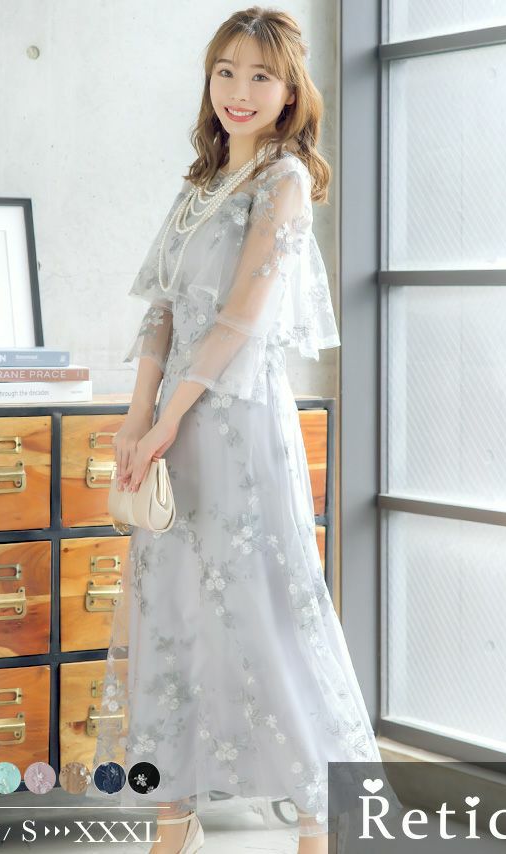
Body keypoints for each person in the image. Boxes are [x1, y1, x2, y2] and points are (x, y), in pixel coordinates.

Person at [86, 7, 401, 853]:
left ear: (290, 90)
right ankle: (173, 820)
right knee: (170, 610)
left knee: (267, 611)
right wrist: (137, 416)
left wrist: (166, 419)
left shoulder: (283, 178)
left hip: (239, 424)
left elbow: (241, 320)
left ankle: (319, 819)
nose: (240, 89)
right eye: (226, 70)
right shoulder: (200, 181)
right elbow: (162, 308)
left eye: (261, 75)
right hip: (174, 425)